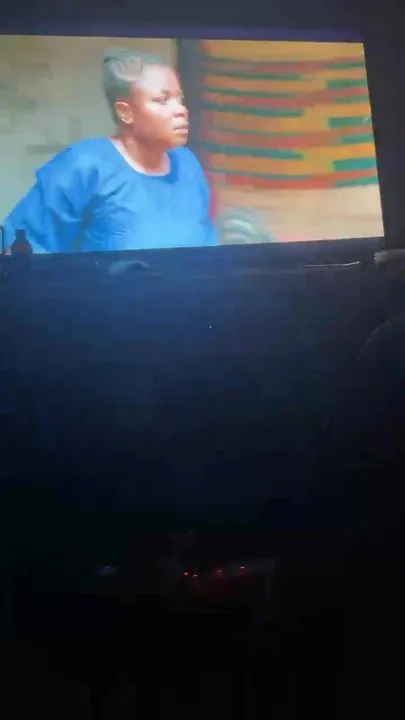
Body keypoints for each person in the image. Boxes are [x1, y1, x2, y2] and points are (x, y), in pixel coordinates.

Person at [2, 48, 216, 253]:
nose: (181, 110)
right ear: (125, 112)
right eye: (162, 100)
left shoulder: (187, 164)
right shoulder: (84, 166)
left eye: (180, 99)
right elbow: (21, 244)